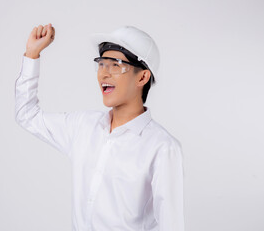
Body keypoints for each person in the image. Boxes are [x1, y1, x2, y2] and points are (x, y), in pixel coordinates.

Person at [14, 23, 185, 231]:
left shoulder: (162, 148)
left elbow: (171, 225)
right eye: (102, 63)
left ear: (142, 77)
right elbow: (27, 114)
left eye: (115, 65)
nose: (103, 74)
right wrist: (32, 54)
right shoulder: (83, 127)